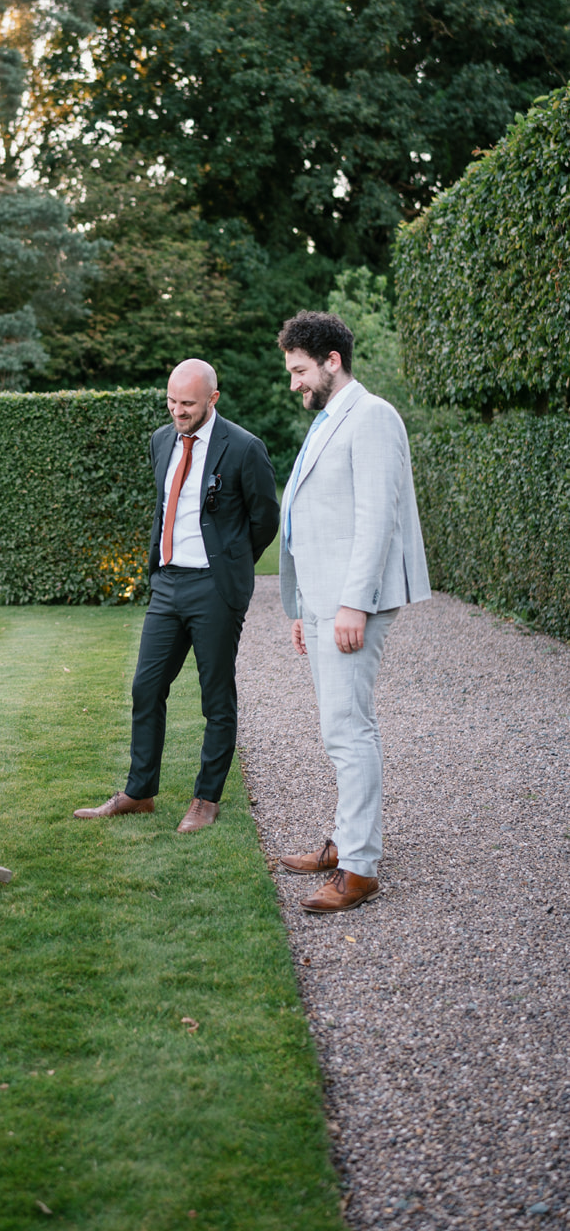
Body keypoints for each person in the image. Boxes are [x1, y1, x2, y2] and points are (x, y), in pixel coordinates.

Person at [74, 359, 280, 831]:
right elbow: (166, 503)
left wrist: (230, 560)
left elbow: (265, 518)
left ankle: (207, 799)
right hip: (167, 584)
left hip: (215, 588)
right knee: (146, 688)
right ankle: (139, 792)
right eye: (171, 401)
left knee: (216, 698)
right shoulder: (160, 440)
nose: (177, 411)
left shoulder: (245, 448)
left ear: (213, 398)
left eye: (187, 403)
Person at [277, 311, 430, 913]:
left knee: (349, 730)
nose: (294, 383)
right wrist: (303, 608)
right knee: (336, 729)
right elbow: (312, 519)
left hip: (350, 603)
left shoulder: (372, 417)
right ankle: (342, 843)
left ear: (331, 361)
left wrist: (350, 605)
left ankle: (361, 868)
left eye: (299, 370)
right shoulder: (327, 420)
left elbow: (377, 520)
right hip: (322, 602)